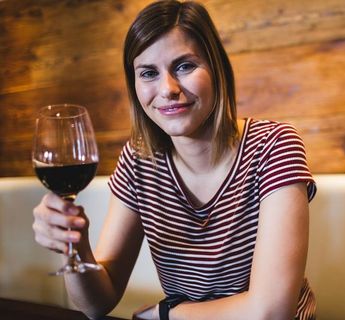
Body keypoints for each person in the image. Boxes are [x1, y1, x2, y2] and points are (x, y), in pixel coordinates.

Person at [32, 1, 317, 319]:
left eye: (184, 66)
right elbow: (98, 303)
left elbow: (272, 311)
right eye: (149, 73)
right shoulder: (139, 162)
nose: (167, 89)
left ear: (216, 69)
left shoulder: (274, 146)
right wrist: (76, 246)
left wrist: (166, 313)